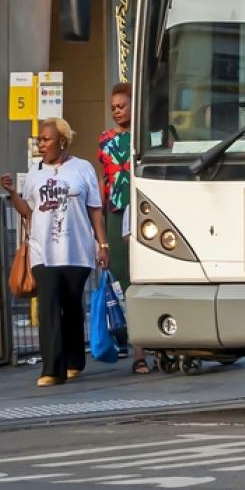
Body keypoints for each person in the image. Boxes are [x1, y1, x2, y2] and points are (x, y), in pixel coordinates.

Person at [1, 118, 109, 388]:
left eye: (46, 139)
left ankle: (74, 360)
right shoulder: (34, 172)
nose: (41, 144)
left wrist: (102, 244)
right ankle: (51, 368)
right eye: (39, 139)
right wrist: (13, 193)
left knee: (71, 306)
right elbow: (27, 211)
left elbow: (94, 208)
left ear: (62, 141)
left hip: (76, 250)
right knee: (49, 307)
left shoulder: (82, 168)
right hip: (43, 251)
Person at [97, 83, 144, 373]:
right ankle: (130, 340)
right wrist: (100, 236)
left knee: (141, 276)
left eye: (121, 105)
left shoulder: (148, 135)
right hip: (115, 211)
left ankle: (142, 348)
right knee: (122, 278)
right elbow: (104, 181)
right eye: (113, 106)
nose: (116, 110)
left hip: (141, 208)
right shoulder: (105, 140)